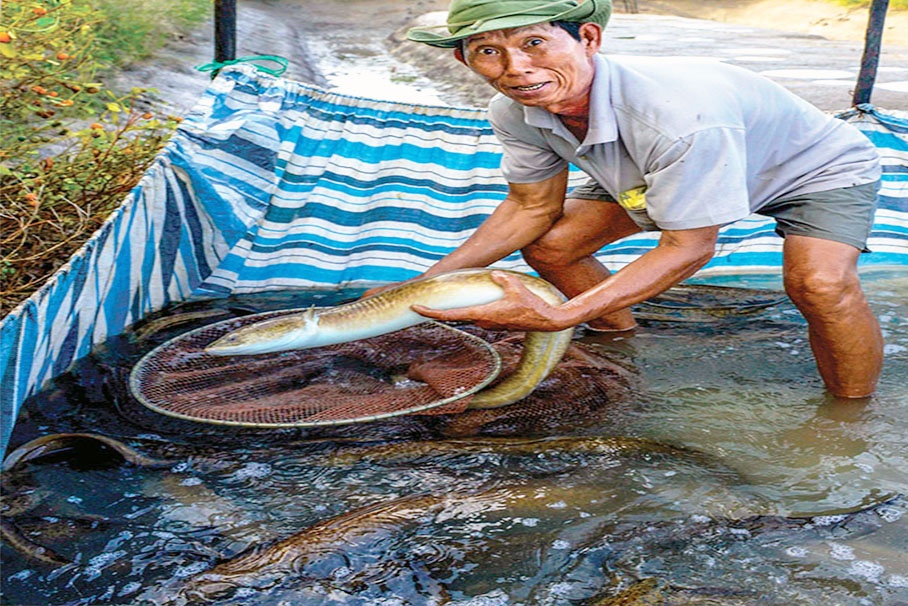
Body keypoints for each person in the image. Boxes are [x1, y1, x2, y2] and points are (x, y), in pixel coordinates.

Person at [394, 0, 883, 398]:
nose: (516, 69)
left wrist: (561, 315)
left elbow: (690, 246)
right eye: (487, 52)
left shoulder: (677, 115)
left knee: (820, 285)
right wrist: (417, 288)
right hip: (653, 170)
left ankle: (848, 416)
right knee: (552, 247)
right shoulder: (513, 109)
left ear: (588, 39)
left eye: (535, 43)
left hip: (810, 171)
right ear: (463, 59)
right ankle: (624, 344)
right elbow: (530, 207)